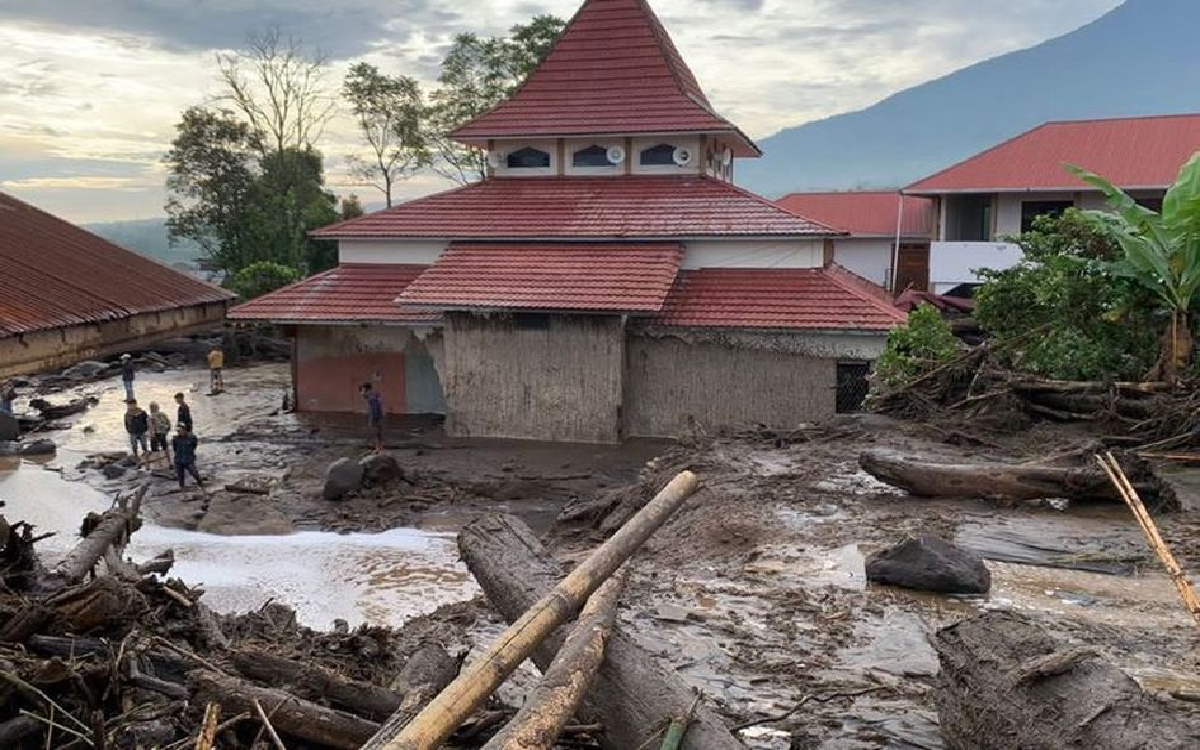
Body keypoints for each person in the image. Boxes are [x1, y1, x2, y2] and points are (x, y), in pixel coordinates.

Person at [171, 423, 203, 490]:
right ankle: (182, 491)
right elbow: (175, 449)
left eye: (180, 431)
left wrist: (191, 454)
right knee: (180, 477)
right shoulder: (175, 439)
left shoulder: (192, 438)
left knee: (195, 473)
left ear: (185, 430)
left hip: (189, 459)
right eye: (178, 431)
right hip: (179, 460)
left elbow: (194, 446)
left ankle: (201, 485)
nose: (179, 432)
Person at [360, 381, 384, 453]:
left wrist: (374, 418)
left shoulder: (371, 397)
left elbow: (374, 408)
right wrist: (363, 393)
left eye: (363, 389)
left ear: (366, 388)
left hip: (376, 416)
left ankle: (379, 449)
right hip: (379, 415)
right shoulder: (373, 394)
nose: (363, 390)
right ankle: (379, 448)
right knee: (378, 433)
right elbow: (365, 396)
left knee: (377, 433)